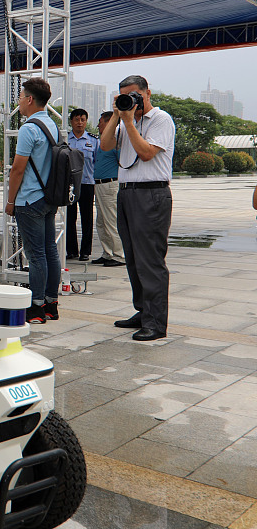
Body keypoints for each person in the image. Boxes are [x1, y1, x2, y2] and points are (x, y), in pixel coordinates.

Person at [100, 75, 176, 342]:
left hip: (151, 195)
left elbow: (145, 153)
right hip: (127, 194)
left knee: (150, 261)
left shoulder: (161, 120)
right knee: (132, 259)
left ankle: (156, 322)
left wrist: (130, 121)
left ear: (147, 94)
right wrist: (116, 115)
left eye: (134, 96)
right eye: (124, 96)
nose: (131, 101)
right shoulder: (125, 120)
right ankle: (143, 311)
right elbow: (105, 145)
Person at [5, 78, 60, 324]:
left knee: (35, 255)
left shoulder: (29, 128)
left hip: (29, 199)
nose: (19, 102)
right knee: (50, 252)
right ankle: (51, 304)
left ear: (29, 99)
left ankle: (36, 307)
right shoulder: (53, 125)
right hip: (49, 198)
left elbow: (18, 169)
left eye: (20, 97)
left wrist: (10, 200)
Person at [91, 112, 124, 267]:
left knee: (111, 220)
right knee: (101, 222)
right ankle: (108, 252)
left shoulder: (115, 141)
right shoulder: (103, 141)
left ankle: (118, 255)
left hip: (109, 185)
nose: (98, 126)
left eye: (101, 122)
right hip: (99, 185)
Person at [66, 109, 99, 261]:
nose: (80, 122)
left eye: (83, 119)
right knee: (69, 218)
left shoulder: (93, 140)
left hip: (87, 184)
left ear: (86, 121)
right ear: (71, 121)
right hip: (69, 185)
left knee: (87, 218)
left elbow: (97, 162)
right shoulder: (65, 139)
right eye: (77, 119)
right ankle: (72, 250)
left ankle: (86, 251)